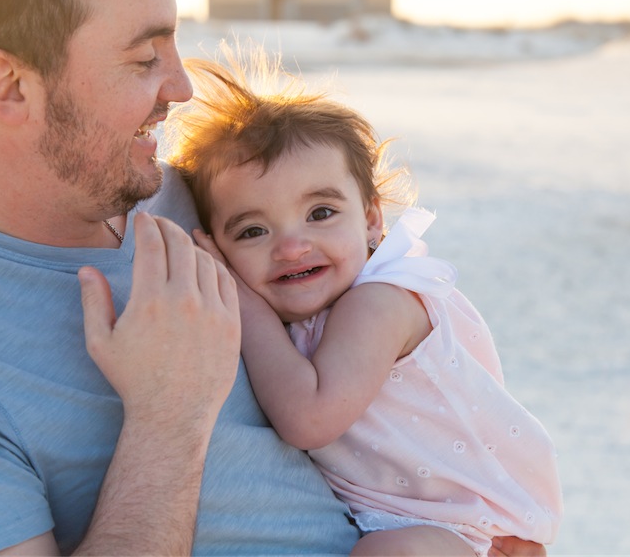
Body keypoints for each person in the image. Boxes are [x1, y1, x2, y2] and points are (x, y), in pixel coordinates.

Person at [0, 0, 362, 554]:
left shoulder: (214, 201)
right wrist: (168, 417)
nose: (181, 88)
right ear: (11, 88)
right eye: (144, 58)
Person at [168, 48, 564, 557]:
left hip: (467, 523)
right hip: (410, 515)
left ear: (373, 219)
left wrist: (243, 303)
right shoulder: (312, 315)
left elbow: (309, 420)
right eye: (253, 230)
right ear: (218, 245)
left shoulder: (378, 303)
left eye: (321, 212)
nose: (292, 245)